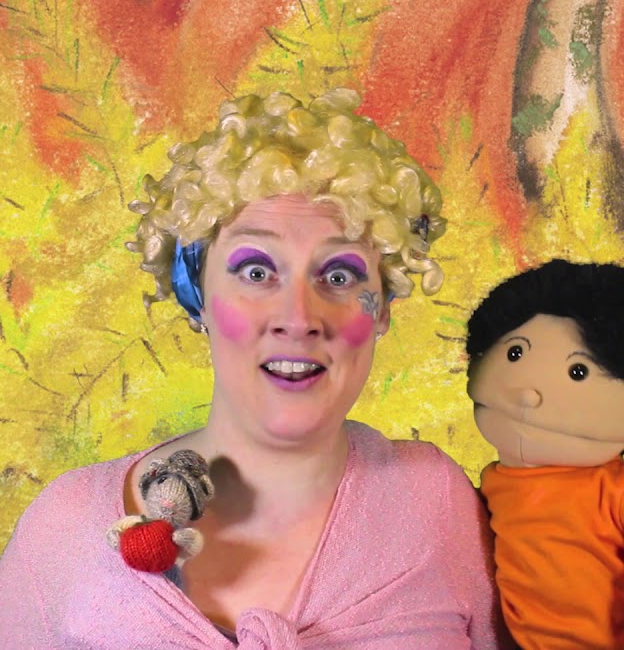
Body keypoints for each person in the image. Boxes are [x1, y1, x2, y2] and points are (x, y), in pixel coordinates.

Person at [0, 88, 506, 648]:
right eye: (257, 272)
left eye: (339, 276)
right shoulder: (65, 528)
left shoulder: (437, 503)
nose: (298, 318)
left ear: (382, 307)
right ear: (197, 296)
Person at [466, 260, 624, 650]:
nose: (528, 395)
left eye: (579, 371)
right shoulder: (493, 484)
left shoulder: (618, 490)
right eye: (515, 353)